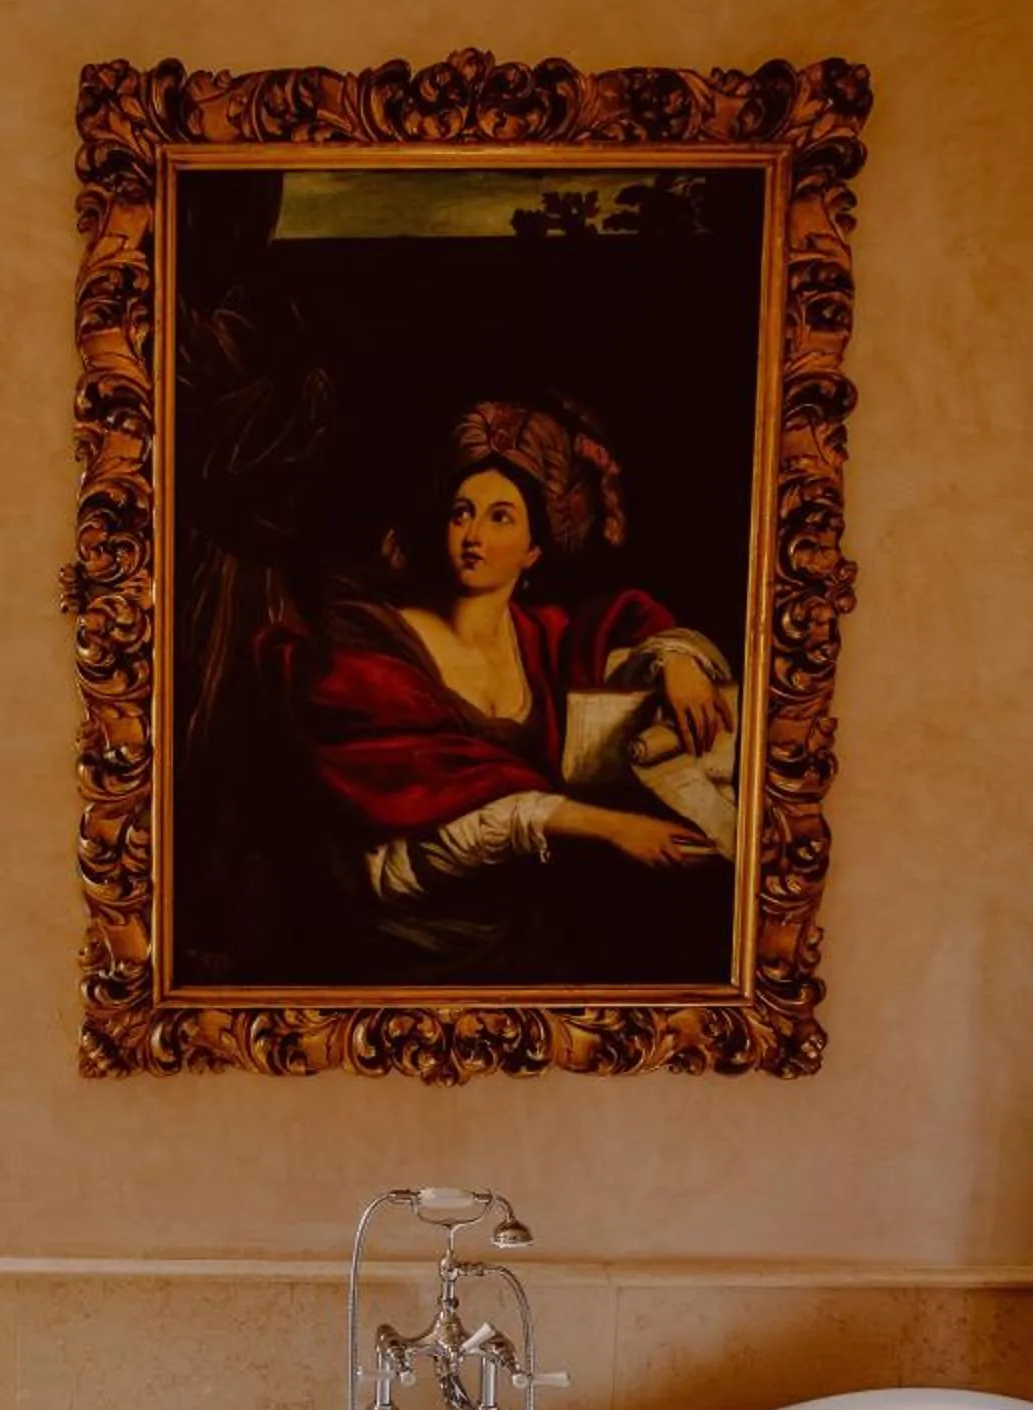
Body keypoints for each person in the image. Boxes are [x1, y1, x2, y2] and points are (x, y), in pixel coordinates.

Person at [265, 399, 738, 984]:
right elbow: (403, 857)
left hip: (525, 922)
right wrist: (614, 827)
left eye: (500, 518)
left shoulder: (543, 640)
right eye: (463, 513)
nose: (474, 535)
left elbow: (628, 632)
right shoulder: (374, 648)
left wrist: (677, 660)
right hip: (413, 932)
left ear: (534, 550)